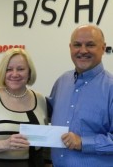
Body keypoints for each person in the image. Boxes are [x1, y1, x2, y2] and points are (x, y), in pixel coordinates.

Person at [48, 24, 113, 167]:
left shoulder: (111, 87)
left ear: (103, 48)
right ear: (70, 47)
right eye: (77, 45)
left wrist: (83, 142)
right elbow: (45, 114)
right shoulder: (62, 81)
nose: (83, 50)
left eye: (90, 45)